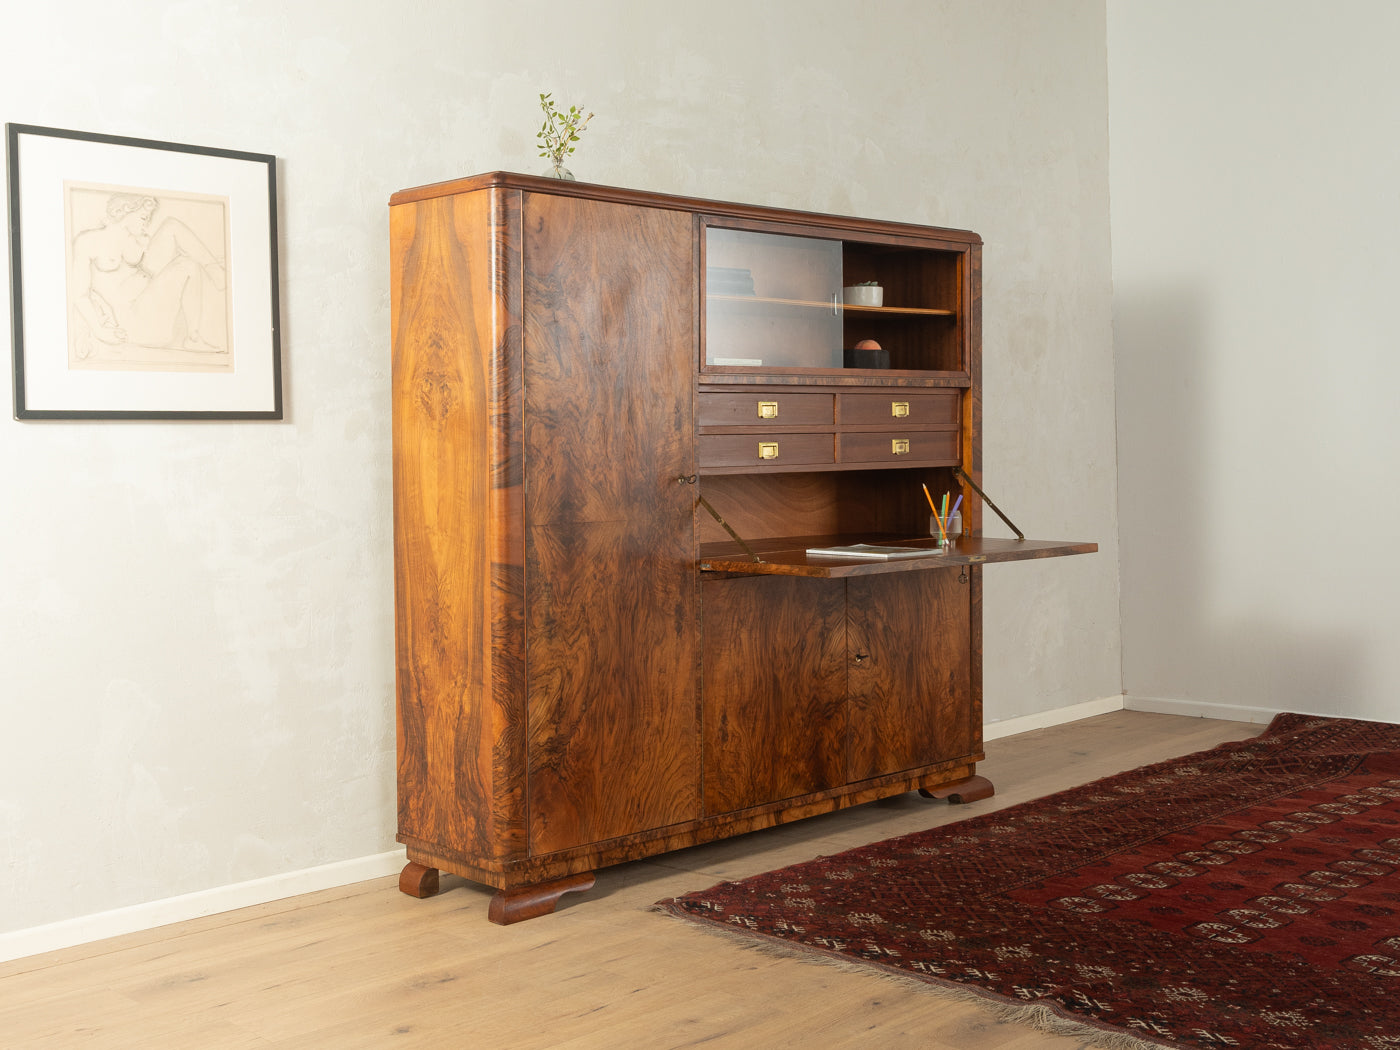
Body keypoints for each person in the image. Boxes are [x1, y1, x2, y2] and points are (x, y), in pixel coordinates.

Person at [69, 191, 228, 358]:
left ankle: (217, 277)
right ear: (124, 211)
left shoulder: (135, 240)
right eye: (144, 218)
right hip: (135, 323)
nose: (147, 224)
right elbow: (79, 295)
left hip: (152, 307)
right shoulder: (87, 241)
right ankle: (219, 278)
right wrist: (100, 331)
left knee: (172, 227)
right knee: (187, 264)